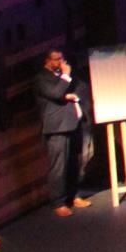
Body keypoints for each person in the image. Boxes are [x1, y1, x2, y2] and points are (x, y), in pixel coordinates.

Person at [35, 51, 91, 216]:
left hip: (73, 125)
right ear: (47, 60)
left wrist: (68, 92)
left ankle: (73, 194)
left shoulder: (64, 77)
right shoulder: (41, 79)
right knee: (58, 166)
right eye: (56, 59)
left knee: (75, 163)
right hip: (56, 128)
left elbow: (80, 88)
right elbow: (56, 93)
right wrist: (65, 78)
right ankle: (59, 202)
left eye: (62, 58)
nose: (61, 62)